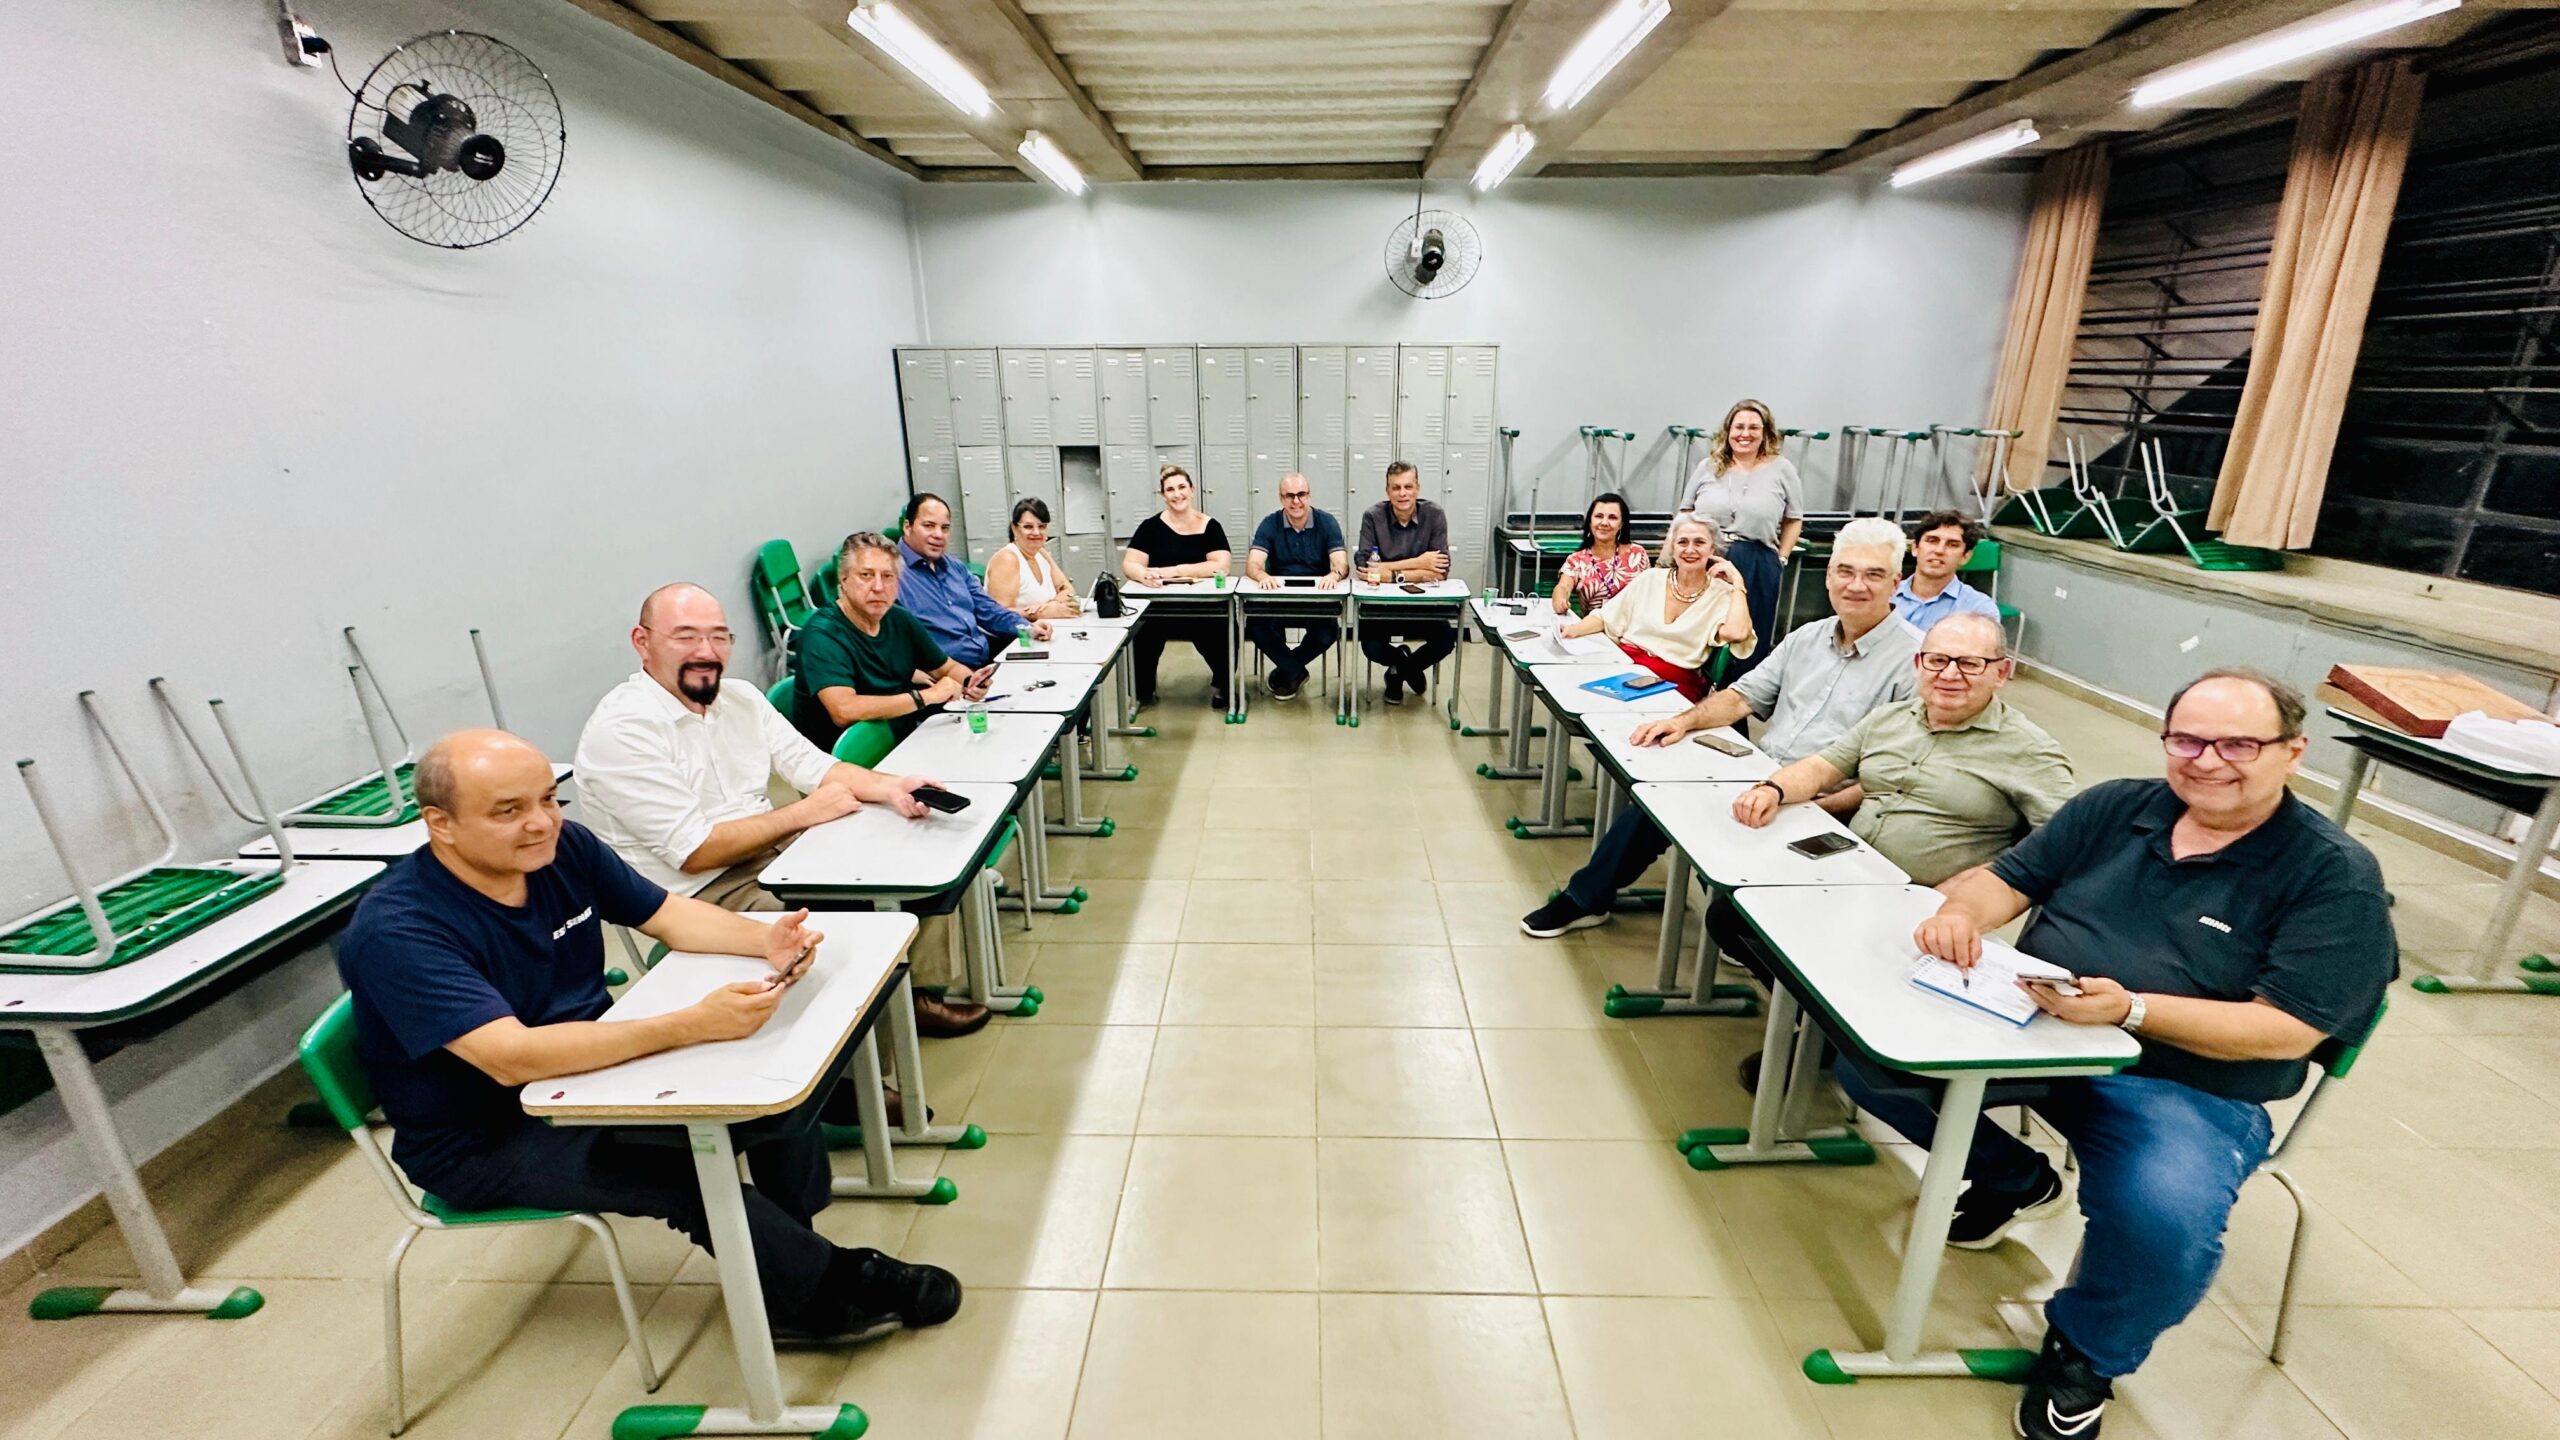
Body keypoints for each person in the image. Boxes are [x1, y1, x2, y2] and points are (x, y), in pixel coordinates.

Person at [1855, 668, 2394, 1440]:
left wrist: (2135, 1010)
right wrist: (1961, 915)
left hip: (2185, 1085)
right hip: (2037, 1035)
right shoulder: (2117, 808)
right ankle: (2017, 1177)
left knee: (2161, 1218)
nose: (2207, 760)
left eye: (2238, 743)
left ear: (2293, 752)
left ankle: (2085, 1352)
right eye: (2188, 739)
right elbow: (2005, 880)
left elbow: (2287, 1030)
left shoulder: (2332, 875)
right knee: (1871, 1060)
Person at [337, 729, 963, 1343]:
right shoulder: (400, 929)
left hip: (593, 1075)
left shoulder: (563, 850)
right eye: (509, 811)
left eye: (549, 801)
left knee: (778, 1097)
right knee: (689, 1175)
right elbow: (510, 1059)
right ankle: (816, 1290)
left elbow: (665, 914)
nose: (541, 823)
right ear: (440, 823)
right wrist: (690, 1025)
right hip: (487, 1137)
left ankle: (784, 1257)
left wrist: (763, 940)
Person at [576, 582, 988, 1037]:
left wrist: (893, 787)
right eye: (686, 636)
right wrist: (803, 814)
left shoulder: (740, 699)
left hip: (773, 855)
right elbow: (695, 852)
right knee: (845, 937)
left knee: (910, 864)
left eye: (719, 637)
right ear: (643, 642)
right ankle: (855, 1081)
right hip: (700, 894)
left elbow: (814, 766)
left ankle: (915, 997)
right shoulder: (623, 731)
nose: (706, 651)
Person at [1519, 517, 1921, 936]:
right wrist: (1682, 721)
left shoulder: (1915, 661)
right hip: (1760, 771)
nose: (1856, 585)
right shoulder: (1808, 637)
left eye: (1873, 575)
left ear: (1896, 582)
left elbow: (1893, 776)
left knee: (1733, 893)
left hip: (1824, 800)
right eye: (1845, 572)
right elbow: (1742, 696)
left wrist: (1815, 806)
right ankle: (1586, 898)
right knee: (1660, 796)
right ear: (1829, 578)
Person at [1731, 613, 2072, 885]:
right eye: (1937, 661)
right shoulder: (1888, 719)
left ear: (2001, 673)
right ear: (1918, 665)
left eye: (1970, 664)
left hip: (1926, 902)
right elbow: (1822, 767)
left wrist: (1983, 884)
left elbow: (2066, 845)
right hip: (1843, 870)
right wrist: (1773, 790)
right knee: (1733, 913)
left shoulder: (2030, 750)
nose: (1950, 675)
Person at [789, 532, 990, 751]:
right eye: (866, 575)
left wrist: (971, 682)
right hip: (842, 764)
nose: (878, 587)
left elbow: (946, 668)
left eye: (887, 576)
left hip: (902, 742)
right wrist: (926, 696)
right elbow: (844, 710)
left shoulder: (898, 618)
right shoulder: (822, 634)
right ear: (844, 579)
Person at [1559, 514, 1753, 701]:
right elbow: (1605, 617)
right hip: (1625, 667)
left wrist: (1738, 583)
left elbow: (1736, 633)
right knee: (1571, 689)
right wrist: (1572, 631)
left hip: (1675, 683)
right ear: (1673, 548)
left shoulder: (1723, 593)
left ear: (1713, 551)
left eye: (1699, 543)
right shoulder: (1650, 578)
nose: (1690, 550)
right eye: (1682, 542)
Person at [1677, 400, 1802, 680]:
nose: (1745, 434)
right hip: (1705, 558)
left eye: (1753, 427)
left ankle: (1735, 707)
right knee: (1700, 633)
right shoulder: (1708, 466)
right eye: (1739, 427)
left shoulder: (1782, 469)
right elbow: (1685, 512)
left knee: (1745, 642)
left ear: (1765, 433)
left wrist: (1781, 557)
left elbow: (1794, 518)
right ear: (1728, 431)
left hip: (1757, 561)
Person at [1121, 463, 1235, 707]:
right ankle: (1142, 692)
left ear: (1192, 490)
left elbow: (1222, 565)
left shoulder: (1210, 526)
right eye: (1170, 489)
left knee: (1224, 629)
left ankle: (1223, 686)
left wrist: (1172, 571)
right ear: (1163, 495)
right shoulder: (1150, 527)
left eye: (1182, 487)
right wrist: (1143, 574)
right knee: (1142, 633)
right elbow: (1130, 563)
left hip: (1202, 608)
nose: (1177, 494)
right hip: (1159, 608)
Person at [898, 493, 1051, 669]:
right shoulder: (890, 573)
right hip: (943, 677)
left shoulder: (954, 567)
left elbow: (989, 611)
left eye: (945, 528)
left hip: (984, 665)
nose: (938, 535)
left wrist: (1028, 627)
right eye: (929, 526)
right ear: (907, 527)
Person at [1353, 460, 1457, 706]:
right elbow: (1363, 568)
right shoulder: (1373, 516)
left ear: (1417, 488)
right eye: (1396, 487)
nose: (1402, 494)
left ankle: (1399, 672)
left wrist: (1390, 571)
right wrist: (1420, 564)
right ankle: (1406, 666)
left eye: (1408, 487)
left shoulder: (1435, 514)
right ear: (1387, 491)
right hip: (1382, 607)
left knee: (1445, 639)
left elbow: (1441, 571)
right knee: (1371, 646)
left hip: (1422, 606)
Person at [1243, 471, 1348, 702]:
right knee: (1256, 626)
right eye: (1289, 496)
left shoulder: (1327, 522)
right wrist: (1261, 576)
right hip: (1279, 596)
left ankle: (1286, 669)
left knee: (1327, 632)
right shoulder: (1270, 523)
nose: (1296, 501)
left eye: (1301, 494)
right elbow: (1253, 563)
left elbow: (1341, 562)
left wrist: (1335, 574)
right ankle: (1294, 670)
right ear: (1281, 499)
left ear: (1309, 496)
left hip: (1317, 597)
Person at [1894, 509, 2004, 632]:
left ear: (1965, 556)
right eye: (1932, 541)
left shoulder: (1979, 609)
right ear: (1915, 548)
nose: (1939, 550)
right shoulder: (1885, 594)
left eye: (1952, 544)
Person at [985, 497, 1081, 621]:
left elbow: (1068, 589)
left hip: (1045, 630)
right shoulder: (1007, 558)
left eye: (1041, 526)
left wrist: (1050, 605)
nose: (1036, 532)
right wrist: (1039, 613)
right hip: (1015, 637)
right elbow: (997, 614)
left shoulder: (1041, 553)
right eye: (1028, 527)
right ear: (1014, 528)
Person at [1552, 491, 1647, 616]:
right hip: (1593, 631)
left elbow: (1649, 594)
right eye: (1599, 516)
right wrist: (1560, 599)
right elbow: (1563, 587)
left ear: (1621, 524)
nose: (1604, 523)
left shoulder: (1638, 554)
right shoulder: (1576, 560)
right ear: (1590, 521)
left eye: (1612, 517)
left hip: (1632, 628)